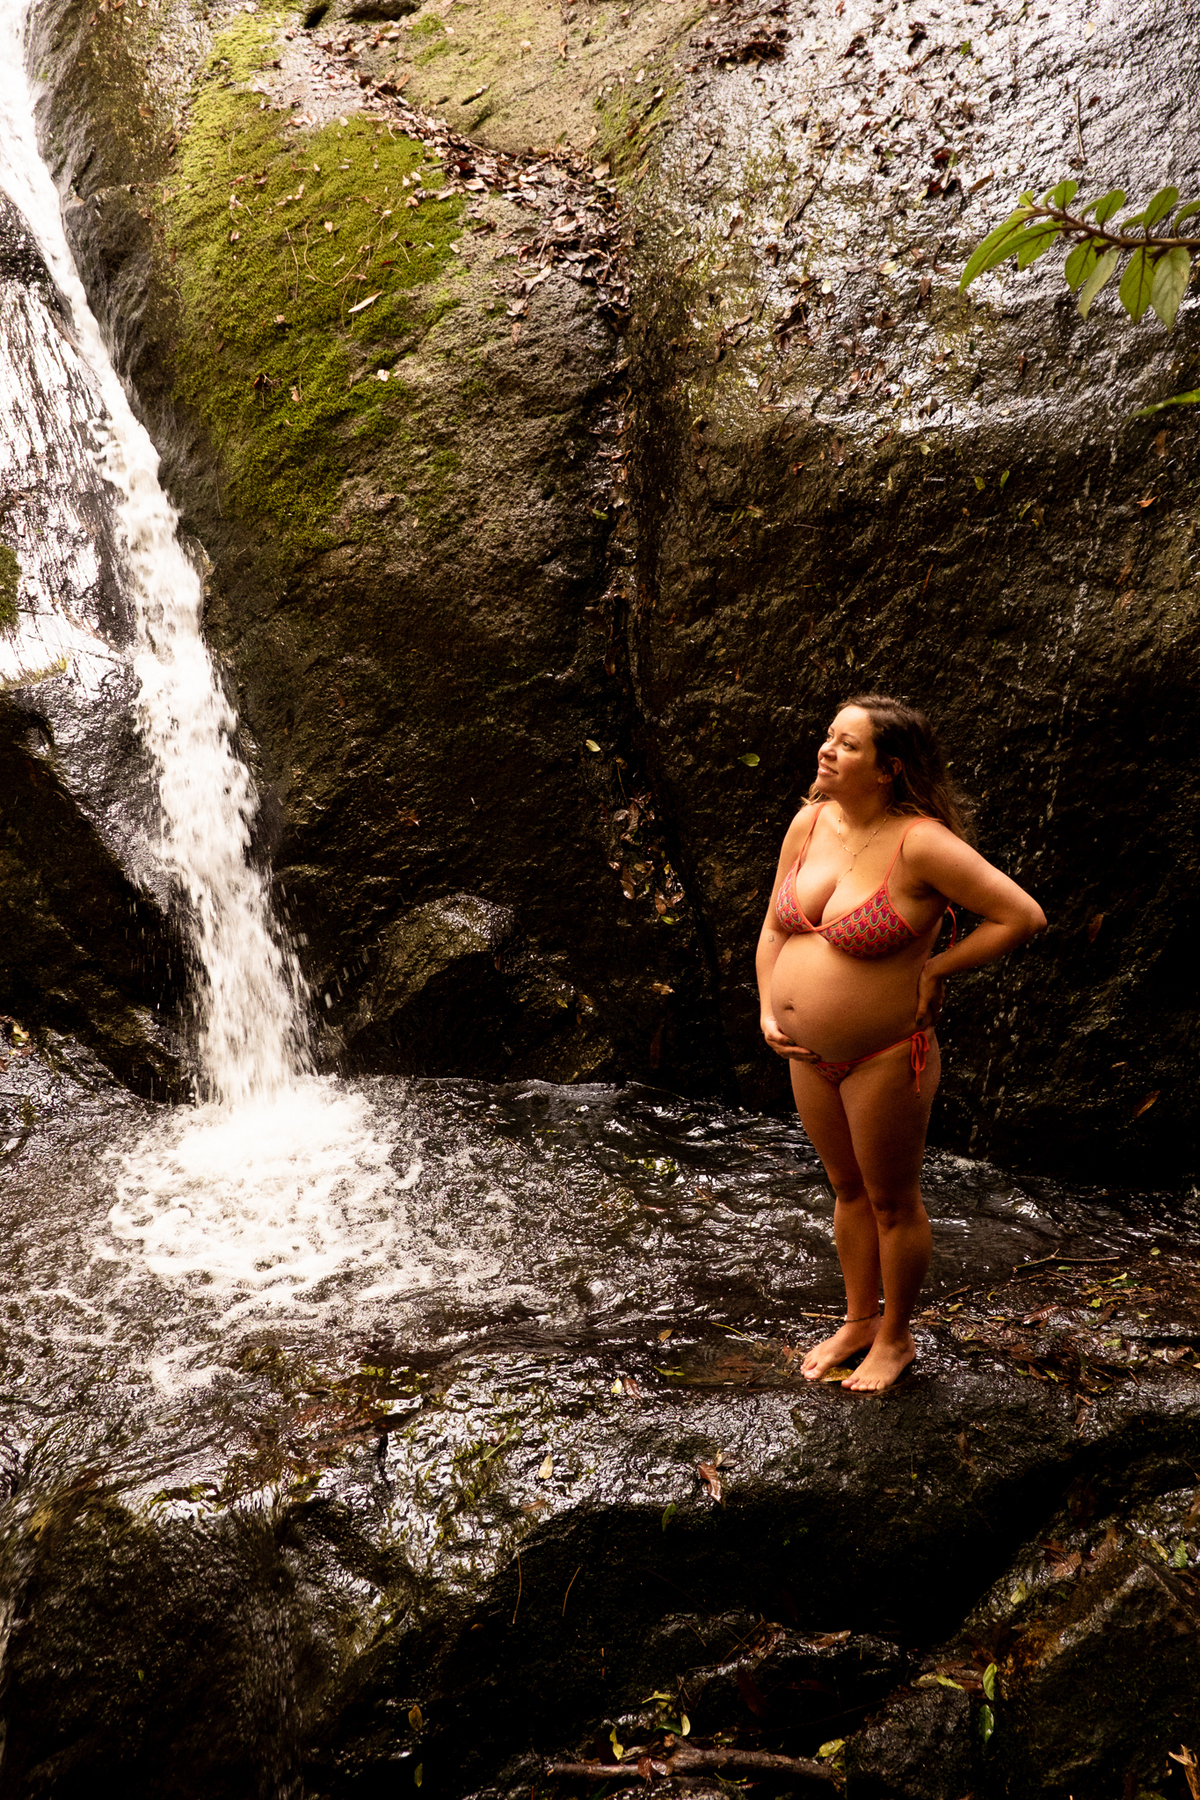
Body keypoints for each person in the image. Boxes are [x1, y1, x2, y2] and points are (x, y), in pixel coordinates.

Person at [756, 694, 1046, 1392]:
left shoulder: (921, 842)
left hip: (885, 1054)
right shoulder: (809, 822)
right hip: (806, 1053)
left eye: (846, 744)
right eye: (828, 736)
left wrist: (938, 969)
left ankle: (895, 1337)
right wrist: (770, 1007)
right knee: (846, 1189)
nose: (826, 749)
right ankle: (858, 1319)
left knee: (892, 1201)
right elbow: (774, 929)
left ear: (888, 768)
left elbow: (1021, 915)